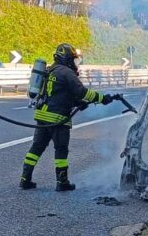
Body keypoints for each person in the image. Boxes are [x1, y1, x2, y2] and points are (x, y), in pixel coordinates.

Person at [20, 43, 114, 191]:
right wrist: (102, 98)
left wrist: (77, 103)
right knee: (61, 150)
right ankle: (62, 182)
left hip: (42, 115)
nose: (74, 63)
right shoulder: (66, 72)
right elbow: (82, 92)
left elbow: (59, 93)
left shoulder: (50, 70)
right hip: (57, 118)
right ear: (66, 58)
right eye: (72, 59)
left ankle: (25, 179)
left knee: (36, 147)